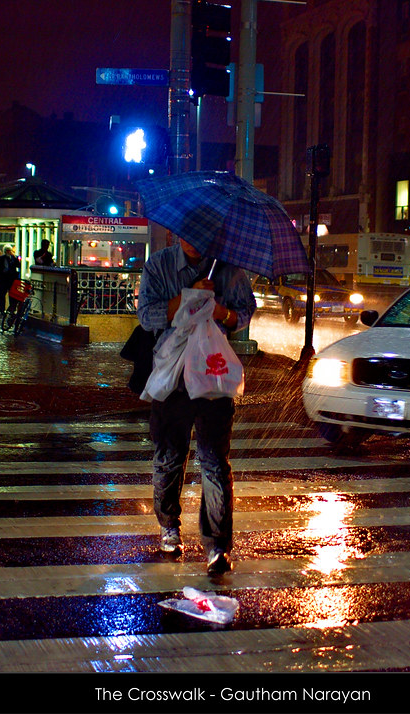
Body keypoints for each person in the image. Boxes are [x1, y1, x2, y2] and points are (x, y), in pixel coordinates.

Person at [137, 236, 256, 577]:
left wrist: (221, 311)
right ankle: (169, 525)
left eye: (202, 233)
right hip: (172, 378)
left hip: (213, 377)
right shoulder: (158, 265)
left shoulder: (228, 267)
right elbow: (147, 316)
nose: (194, 241)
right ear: (175, 233)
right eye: (187, 233)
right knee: (169, 459)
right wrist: (186, 298)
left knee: (215, 463)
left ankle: (217, 545)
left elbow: (244, 313)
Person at [0, 246, 21, 312]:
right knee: (1, 294)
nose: (8, 252)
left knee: (12, 295)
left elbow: (18, 265)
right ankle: (1, 309)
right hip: (3, 279)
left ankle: (11, 309)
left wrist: (15, 258)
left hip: (11, 279)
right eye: (7, 250)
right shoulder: (0, 258)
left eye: (9, 250)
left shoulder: (13, 258)